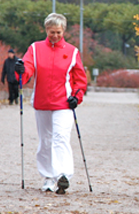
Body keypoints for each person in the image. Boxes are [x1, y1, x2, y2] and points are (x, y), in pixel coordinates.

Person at [15, 13, 87, 194]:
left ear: (64, 31)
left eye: (58, 32)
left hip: (64, 103)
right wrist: (21, 70)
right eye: (51, 32)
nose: (55, 36)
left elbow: (80, 79)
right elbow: (28, 68)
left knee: (61, 137)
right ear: (46, 30)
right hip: (42, 102)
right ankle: (48, 176)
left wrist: (76, 96)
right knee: (45, 140)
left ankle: (63, 175)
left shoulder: (72, 52)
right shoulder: (35, 48)